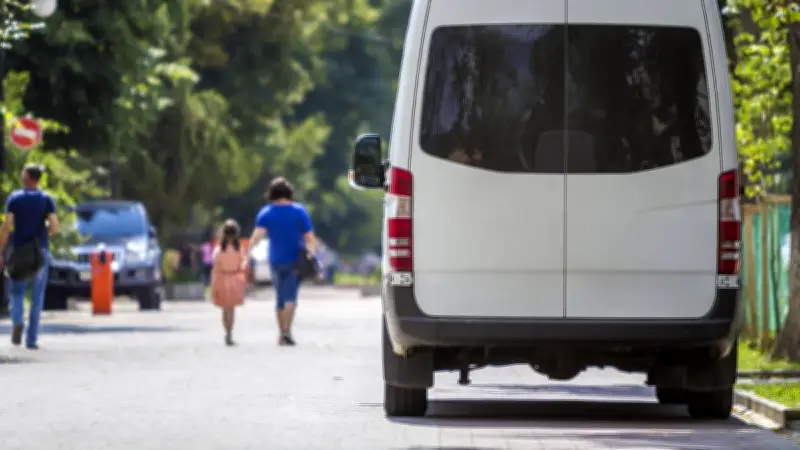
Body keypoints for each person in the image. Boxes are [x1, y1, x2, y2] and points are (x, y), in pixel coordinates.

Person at [247, 177, 317, 346]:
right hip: (295, 261)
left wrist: (247, 255)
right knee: (291, 297)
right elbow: (309, 238)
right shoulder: (299, 211)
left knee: (279, 298)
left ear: (271, 193)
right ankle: (287, 331)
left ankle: (282, 332)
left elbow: (256, 237)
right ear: (289, 193)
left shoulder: (266, 213)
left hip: (275, 261)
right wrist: (311, 254)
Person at [0, 163, 58, 349]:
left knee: (16, 291)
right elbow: (55, 227)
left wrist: (1, 249)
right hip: (40, 251)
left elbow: (7, 227)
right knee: (37, 296)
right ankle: (31, 339)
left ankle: (17, 320)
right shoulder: (46, 199)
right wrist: (45, 228)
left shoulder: (15, 198)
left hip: (19, 251)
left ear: (26, 176)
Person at [211, 219, 247, 346]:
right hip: (235, 278)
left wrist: (213, 284)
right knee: (231, 309)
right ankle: (229, 332)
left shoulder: (218, 249)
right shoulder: (239, 249)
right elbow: (243, 265)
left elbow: (215, 266)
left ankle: (227, 331)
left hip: (222, 278)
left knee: (224, 308)